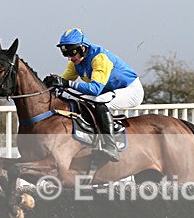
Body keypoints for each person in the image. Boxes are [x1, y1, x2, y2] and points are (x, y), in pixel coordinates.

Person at [42, 28, 144, 161]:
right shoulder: (76, 62)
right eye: (66, 54)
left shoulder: (99, 58)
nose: (70, 58)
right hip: (108, 91)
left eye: (72, 53)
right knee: (77, 100)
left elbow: (94, 89)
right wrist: (51, 86)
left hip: (130, 90)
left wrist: (66, 83)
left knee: (99, 101)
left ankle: (111, 146)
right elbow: (64, 81)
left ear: (83, 48)